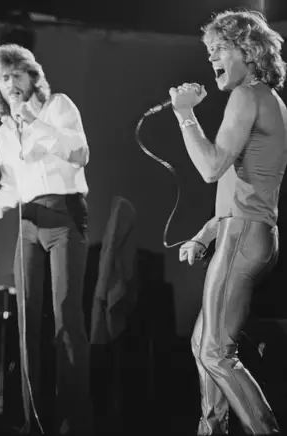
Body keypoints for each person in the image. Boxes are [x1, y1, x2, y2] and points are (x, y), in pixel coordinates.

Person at [0, 43, 92, 435]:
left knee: (67, 319)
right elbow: (13, 188)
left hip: (65, 215)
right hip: (28, 222)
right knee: (27, 322)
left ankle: (74, 421)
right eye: (3, 79)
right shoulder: (4, 133)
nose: (11, 84)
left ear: (32, 77)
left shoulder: (59, 107)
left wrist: (35, 121)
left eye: (17, 74)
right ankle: (33, 420)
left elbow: (80, 154)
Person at [173, 10, 287, 435]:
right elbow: (246, 190)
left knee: (216, 351)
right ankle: (212, 429)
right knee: (206, 345)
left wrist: (185, 114)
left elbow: (211, 168)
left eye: (219, 48)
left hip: (243, 236)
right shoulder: (269, 100)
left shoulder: (248, 96)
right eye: (209, 51)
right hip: (249, 233)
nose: (211, 58)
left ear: (250, 50)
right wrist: (206, 234)